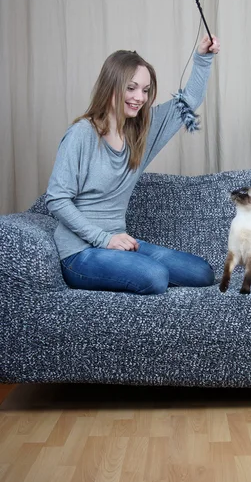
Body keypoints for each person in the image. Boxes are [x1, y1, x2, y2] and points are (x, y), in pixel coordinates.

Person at [46, 34, 220, 295]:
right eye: (131, 87)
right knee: (154, 276)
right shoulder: (81, 134)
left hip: (118, 243)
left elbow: (190, 101)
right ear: (111, 85)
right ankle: (136, 266)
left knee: (202, 273)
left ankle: (134, 265)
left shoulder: (142, 131)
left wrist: (203, 58)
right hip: (79, 253)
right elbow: (56, 199)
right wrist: (105, 239)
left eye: (146, 90)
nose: (140, 97)